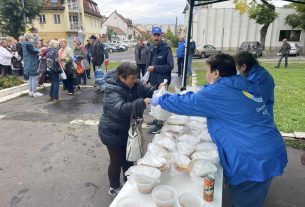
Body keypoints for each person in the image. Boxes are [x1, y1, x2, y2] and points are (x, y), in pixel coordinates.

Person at [150, 53, 288, 207]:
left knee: (245, 201)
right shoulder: (240, 83)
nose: (206, 75)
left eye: (207, 71)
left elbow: (188, 102)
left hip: (254, 157)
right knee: (251, 195)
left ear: (216, 73)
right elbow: (205, 95)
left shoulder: (219, 92)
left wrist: (161, 99)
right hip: (266, 146)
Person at [98, 62, 160, 197]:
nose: (135, 80)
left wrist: (156, 88)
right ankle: (114, 187)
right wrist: (142, 102)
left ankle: (129, 180)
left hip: (128, 129)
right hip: (112, 131)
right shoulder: (112, 89)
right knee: (116, 160)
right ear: (121, 77)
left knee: (129, 156)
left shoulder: (135, 83)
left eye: (136, 77)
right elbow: (120, 109)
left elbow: (145, 90)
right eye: (132, 78)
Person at [146, 26, 174, 134]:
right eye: (155, 35)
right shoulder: (151, 48)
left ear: (161, 36)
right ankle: (157, 119)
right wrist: (147, 77)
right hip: (153, 80)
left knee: (161, 103)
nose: (156, 37)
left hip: (163, 81)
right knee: (155, 102)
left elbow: (170, 66)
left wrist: (155, 68)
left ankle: (160, 124)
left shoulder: (166, 48)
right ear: (152, 36)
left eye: (158, 35)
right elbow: (149, 65)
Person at [235, 51, 275, 119]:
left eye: (236, 67)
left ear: (244, 66)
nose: (236, 71)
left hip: (260, 118)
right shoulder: (258, 72)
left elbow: (249, 101)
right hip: (263, 115)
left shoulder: (256, 79)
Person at [23, 33, 44, 97]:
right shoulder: (28, 45)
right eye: (32, 38)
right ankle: (34, 92)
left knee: (31, 78)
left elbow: (31, 53)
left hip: (28, 63)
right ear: (28, 38)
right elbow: (33, 52)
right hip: (32, 63)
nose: (33, 39)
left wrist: (37, 52)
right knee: (34, 77)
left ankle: (31, 91)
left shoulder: (24, 44)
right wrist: (41, 50)